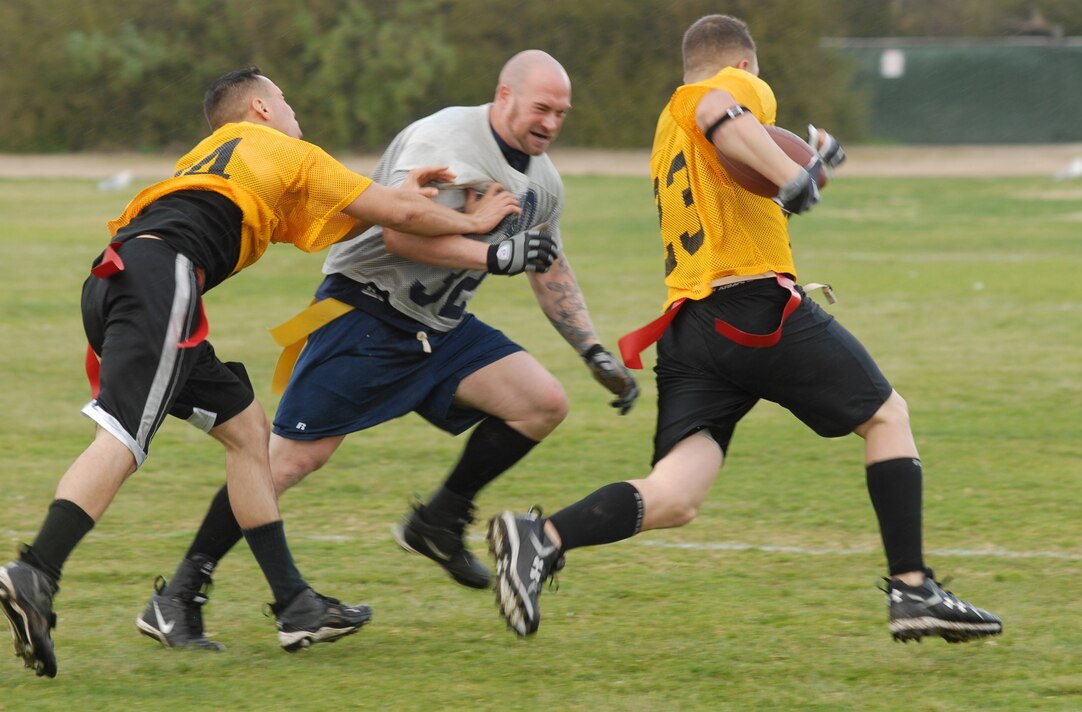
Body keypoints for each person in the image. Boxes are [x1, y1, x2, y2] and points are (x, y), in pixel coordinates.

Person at [488, 15, 1004, 643]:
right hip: (752, 308)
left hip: (692, 326)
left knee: (675, 496)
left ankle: (541, 538)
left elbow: (727, 154)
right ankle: (914, 590)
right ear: (745, 64)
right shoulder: (727, 87)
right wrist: (796, 175)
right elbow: (718, 108)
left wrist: (805, 165)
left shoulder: (663, 131)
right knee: (887, 416)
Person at [0, 66, 521, 678]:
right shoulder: (283, 148)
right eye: (287, 99)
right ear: (260, 109)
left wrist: (411, 195)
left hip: (128, 277)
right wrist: (475, 224)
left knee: (248, 433)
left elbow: (352, 215)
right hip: (160, 277)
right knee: (121, 435)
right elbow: (392, 214)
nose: (296, 113)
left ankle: (295, 606)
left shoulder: (217, 154)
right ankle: (35, 571)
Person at [134, 50, 639, 651]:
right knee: (285, 463)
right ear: (504, 95)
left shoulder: (543, 180)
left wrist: (591, 349)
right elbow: (401, 231)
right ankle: (179, 594)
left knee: (540, 402)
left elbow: (544, 262)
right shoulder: (445, 139)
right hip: (362, 313)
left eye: (562, 111)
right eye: (542, 107)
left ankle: (438, 522)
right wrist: (489, 253)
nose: (552, 121)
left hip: (438, 328)